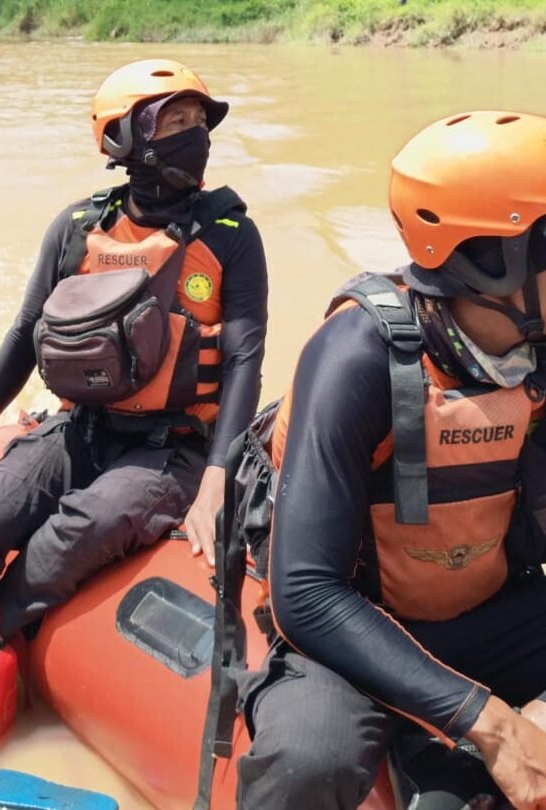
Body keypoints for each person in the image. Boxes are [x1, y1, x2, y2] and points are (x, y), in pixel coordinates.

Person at [234, 111, 546, 809]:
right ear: (494, 261)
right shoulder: (356, 359)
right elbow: (307, 595)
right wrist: (487, 721)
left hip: (493, 610)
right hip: (357, 635)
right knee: (304, 764)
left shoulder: (535, 356)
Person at [0, 58, 268, 637]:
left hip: (171, 448)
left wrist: (217, 478)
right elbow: (24, 332)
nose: (195, 136)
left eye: (199, 122)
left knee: (82, 529)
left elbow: (243, 359)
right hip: (78, 429)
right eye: (174, 121)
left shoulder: (231, 236)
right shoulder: (78, 227)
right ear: (125, 139)